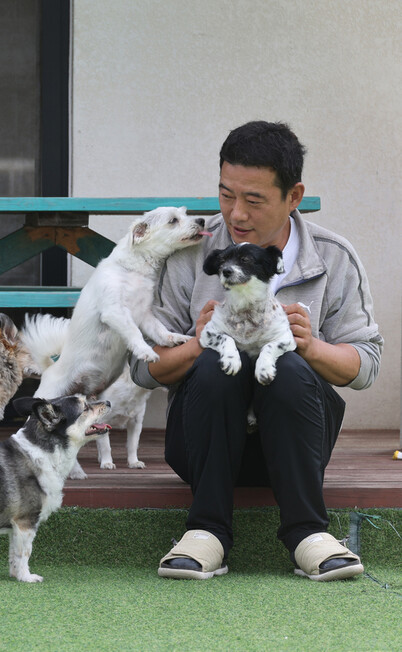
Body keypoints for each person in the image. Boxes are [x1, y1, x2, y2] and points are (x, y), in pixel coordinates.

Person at [129, 121, 383, 581]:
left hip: (295, 449)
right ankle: (205, 532)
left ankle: (309, 533)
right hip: (201, 445)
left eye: (254, 199)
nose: (235, 214)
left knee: (287, 365)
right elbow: (143, 368)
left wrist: (312, 346)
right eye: (226, 195)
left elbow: (366, 365)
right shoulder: (190, 251)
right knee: (211, 364)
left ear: (294, 196)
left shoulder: (333, 257)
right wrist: (196, 339)